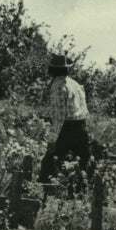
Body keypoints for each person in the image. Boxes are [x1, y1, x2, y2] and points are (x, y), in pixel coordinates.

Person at [39, 54, 91, 189]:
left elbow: (59, 116)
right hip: (81, 126)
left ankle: (42, 193)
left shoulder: (57, 86)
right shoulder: (75, 84)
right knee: (83, 164)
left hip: (66, 129)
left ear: (52, 70)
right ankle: (81, 194)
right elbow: (85, 110)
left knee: (49, 164)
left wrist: (52, 139)